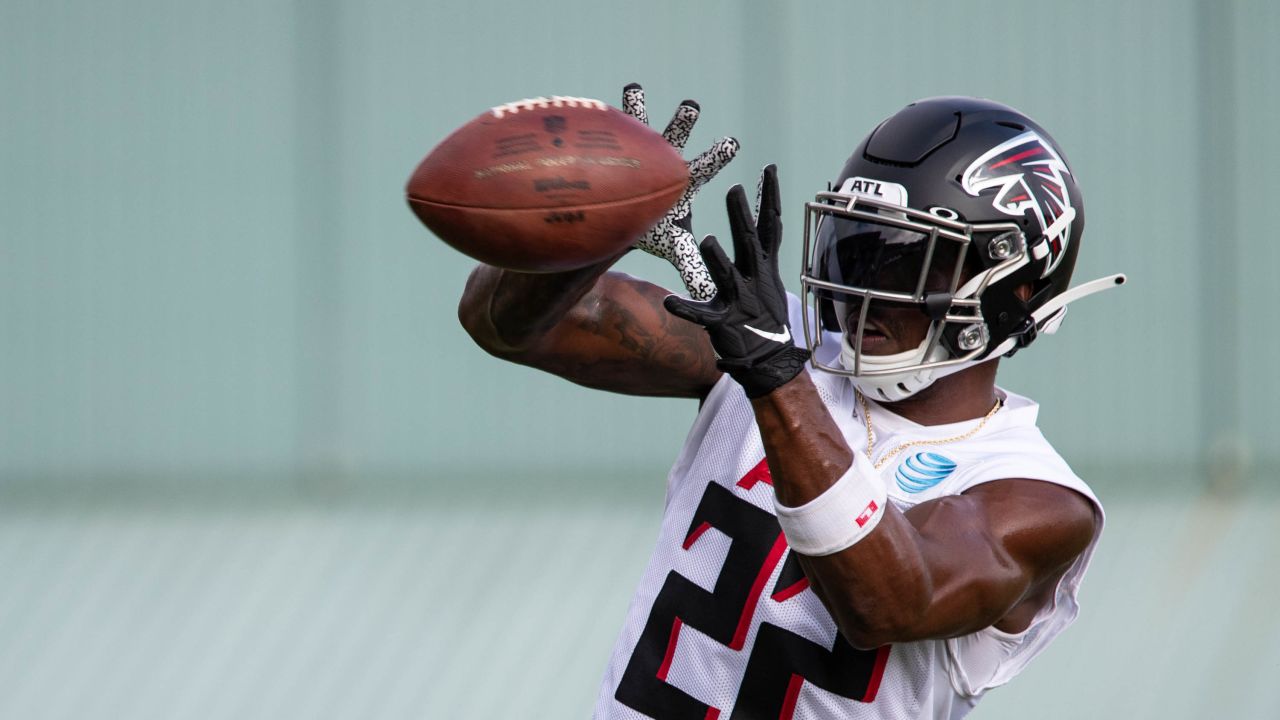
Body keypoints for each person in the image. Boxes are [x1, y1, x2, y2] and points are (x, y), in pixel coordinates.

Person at [457, 85, 1125, 719]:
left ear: (1010, 292)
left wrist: (777, 375)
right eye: (855, 250)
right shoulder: (776, 342)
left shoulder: (1041, 503)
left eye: (904, 261)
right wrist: (599, 222)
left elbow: (890, 599)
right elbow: (503, 323)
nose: (864, 289)